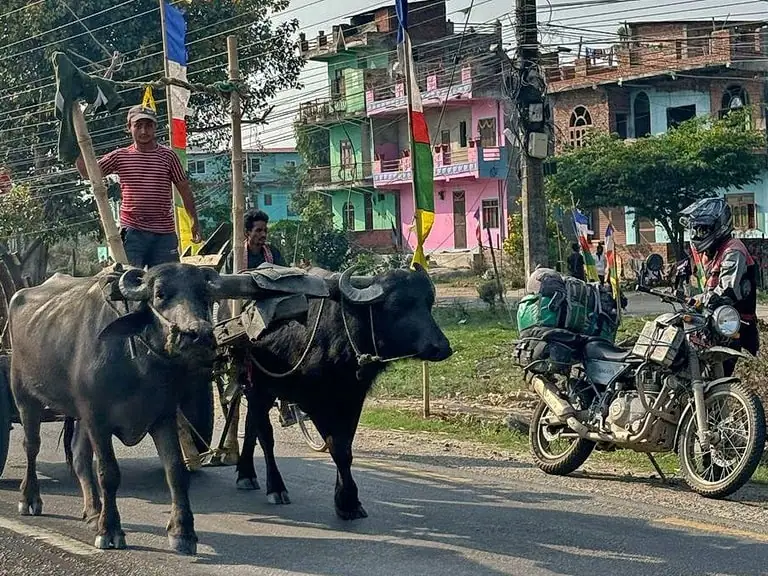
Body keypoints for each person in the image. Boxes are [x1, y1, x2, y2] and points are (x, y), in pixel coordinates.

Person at [76, 105, 202, 268]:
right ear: (129, 127)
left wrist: (194, 220)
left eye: (148, 125)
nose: (144, 131)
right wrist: (76, 148)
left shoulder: (168, 156)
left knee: (168, 279)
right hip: (133, 232)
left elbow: (184, 189)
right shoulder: (120, 156)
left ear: (155, 127)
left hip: (163, 233)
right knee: (129, 278)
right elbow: (89, 173)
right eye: (138, 125)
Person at [225, 209, 296, 427]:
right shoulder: (236, 255)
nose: (263, 234)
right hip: (243, 311)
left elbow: (285, 278)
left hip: (273, 309)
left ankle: (287, 402)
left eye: (265, 230)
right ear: (247, 233)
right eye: (258, 230)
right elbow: (227, 289)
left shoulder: (273, 253)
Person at [680, 197, 759, 372]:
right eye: (696, 229)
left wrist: (698, 299)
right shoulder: (709, 252)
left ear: (719, 226)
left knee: (721, 376)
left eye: (703, 229)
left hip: (732, 327)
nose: (698, 234)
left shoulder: (733, 250)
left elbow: (726, 291)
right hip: (710, 322)